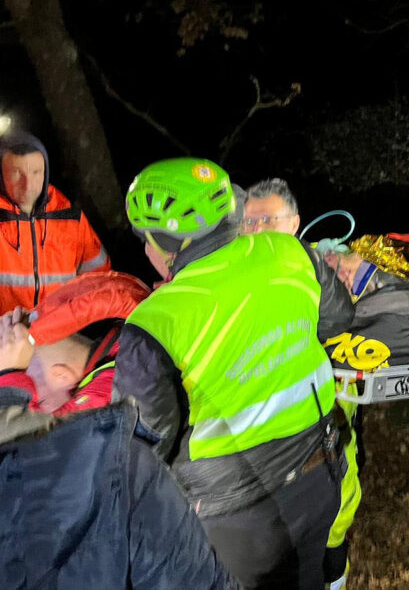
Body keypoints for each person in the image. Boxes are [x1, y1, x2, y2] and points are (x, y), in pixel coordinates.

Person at [114, 158, 355, 589]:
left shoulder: (153, 324)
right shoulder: (290, 251)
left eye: (143, 239)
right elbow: (338, 317)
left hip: (238, 523)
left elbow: (142, 452)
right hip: (321, 477)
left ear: (164, 243)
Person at [0, 322, 237, 589]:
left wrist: (10, 391)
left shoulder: (103, 439)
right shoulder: (115, 446)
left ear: (63, 376)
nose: (37, 408)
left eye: (36, 401)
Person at [242, 175, 359, 590]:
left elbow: (339, 319)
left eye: (266, 220)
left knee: (338, 504)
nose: (256, 230)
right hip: (260, 433)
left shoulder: (308, 264)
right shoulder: (233, 270)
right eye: (249, 222)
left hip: (318, 417)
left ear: (293, 224)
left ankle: (336, 577)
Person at [0, 271, 150, 415]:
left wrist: (11, 376)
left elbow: (36, 434)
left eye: (41, 402)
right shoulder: (128, 352)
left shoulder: (113, 390)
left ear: (61, 375)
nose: (41, 409)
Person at [0, 130, 110, 313]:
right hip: (6, 338)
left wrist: (78, 317)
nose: (28, 185)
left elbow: (100, 278)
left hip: (61, 335)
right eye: (17, 173)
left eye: (36, 172)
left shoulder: (70, 219)